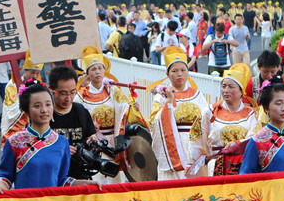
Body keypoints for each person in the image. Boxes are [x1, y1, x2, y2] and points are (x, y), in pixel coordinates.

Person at [75, 47, 143, 183]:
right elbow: (77, 118)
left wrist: (132, 107)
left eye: (100, 68)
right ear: (87, 74)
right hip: (95, 141)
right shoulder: (81, 95)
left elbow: (124, 107)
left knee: (117, 177)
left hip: (113, 138)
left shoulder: (112, 90)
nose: (97, 72)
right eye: (93, 69)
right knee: (99, 176)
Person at [150, 47, 210, 179]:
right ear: (167, 74)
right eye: (174, 71)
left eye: (183, 70)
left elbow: (207, 120)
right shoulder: (162, 96)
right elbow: (154, 123)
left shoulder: (197, 94)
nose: (179, 74)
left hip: (195, 146)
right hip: (173, 146)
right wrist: (169, 102)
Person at [202, 64, 258, 176]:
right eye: (223, 86)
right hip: (217, 165)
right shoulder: (211, 111)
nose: (226, 90)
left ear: (241, 91)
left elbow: (255, 138)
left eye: (231, 87)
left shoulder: (252, 114)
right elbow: (199, 138)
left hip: (242, 164)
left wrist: (236, 144)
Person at [49, 66, 98, 180]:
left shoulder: (81, 111)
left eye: (72, 92)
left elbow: (90, 135)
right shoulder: (45, 114)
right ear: (51, 90)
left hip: (79, 175)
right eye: (63, 93)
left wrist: (92, 140)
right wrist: (59, 149)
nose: (68, 98)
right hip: (53, 177)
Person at [0, 53, 43, 143]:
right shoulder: (12, 84)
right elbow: (12, 107)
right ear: (25, 70)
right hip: (19, 126)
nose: (35, 76)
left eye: (37, 73)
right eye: (32, 72)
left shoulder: (40, 84)